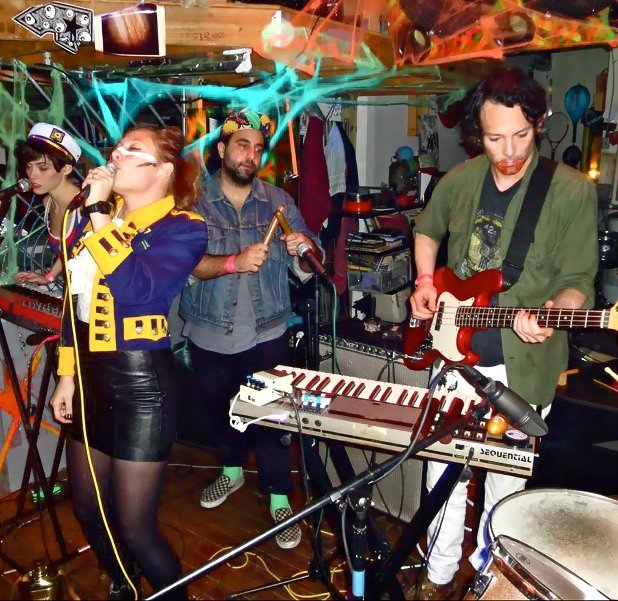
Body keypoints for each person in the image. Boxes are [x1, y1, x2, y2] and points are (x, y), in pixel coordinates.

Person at [409, 66, 597, 599]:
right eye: (495, 138)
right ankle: (437, 574)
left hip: (522, 369)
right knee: (441, 473)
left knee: (506, 487)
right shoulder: (461, 178)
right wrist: (426, 281)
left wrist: (555, 310)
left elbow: (578, 282)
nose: (509, 151)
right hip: (454, 356)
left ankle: (490, 581)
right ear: (478, 134)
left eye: (521, 135)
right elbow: (427, 230)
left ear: (538, 123)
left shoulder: (570, 191)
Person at [49, 124, 207, 600]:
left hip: (141, 386)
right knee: (86, 506)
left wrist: (99, 214)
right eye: (117, 147)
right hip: (90, 378)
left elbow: (138, 291)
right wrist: (66, 376)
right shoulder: (96, 217)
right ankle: (124, 581)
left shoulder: (184, 228)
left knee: (136, 526)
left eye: (132, 149)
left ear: (163, 170)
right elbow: (73, 304)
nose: (116, 154)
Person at [179, 110, 322, 550]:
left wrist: (303, 250)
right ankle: (232, 470)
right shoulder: (193, 201)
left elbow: (306, 264)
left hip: (267, 331)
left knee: (273, 419)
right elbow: (182, 266)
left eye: (258, 149)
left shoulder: (277, 201)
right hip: (209, 331)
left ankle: (279, 497)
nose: (251, 156)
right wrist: (232, 263)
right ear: (222, 149)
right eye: (242, 145)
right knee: (223, 413)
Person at [13, 122, 86, 286]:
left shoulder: (85, 206)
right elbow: (66, 252)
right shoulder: (48, 202)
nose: (32, 175)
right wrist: (49, 277)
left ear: (66, 169)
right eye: (29, 166)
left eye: (43, 167)